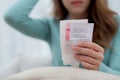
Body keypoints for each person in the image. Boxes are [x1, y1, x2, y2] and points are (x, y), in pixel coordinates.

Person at [4, 0, 120, 76]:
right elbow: (12, 16)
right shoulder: (50, 25)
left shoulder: (115, 23)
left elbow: (117, 74)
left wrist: (99, 67)